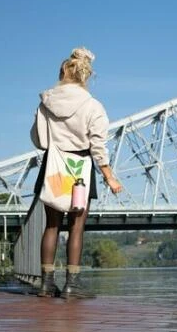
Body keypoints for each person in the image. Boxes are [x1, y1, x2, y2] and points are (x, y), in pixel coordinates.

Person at [30, 47, 123, 298]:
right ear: (86, 76)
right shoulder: (93, 106)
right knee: (76, 228)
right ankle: (73, 285)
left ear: (63, 71)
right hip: (80, 169)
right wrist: (109, 176)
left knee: (51, 226)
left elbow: (38, 139)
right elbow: (97, 145)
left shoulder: (45, 101)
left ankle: (46, 284)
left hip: (53, 166)